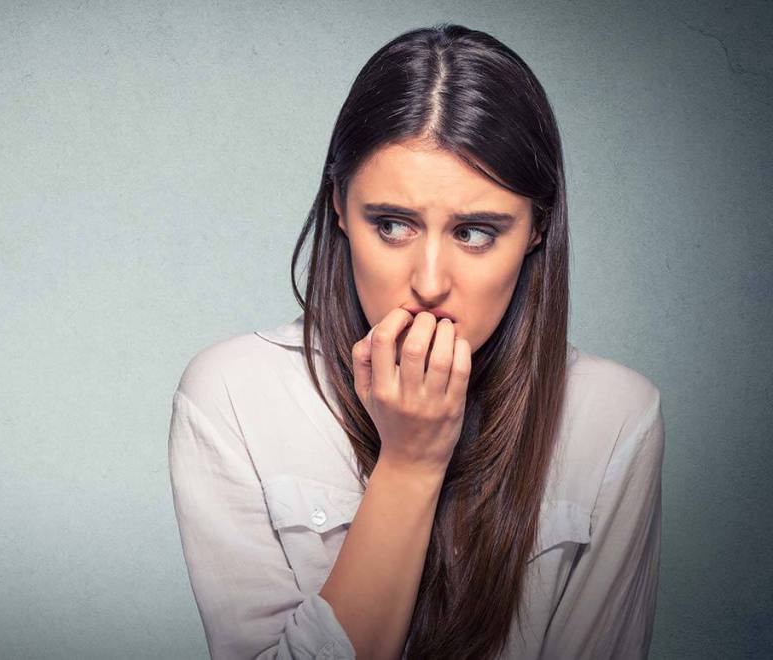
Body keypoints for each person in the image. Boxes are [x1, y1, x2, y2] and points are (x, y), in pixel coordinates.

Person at [167, 23, 664, 660]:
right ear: (339, 208)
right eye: (393, 225)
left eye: (475, 233)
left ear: (538, 228)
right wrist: (409, 464)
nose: (429, 283)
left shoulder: (615, 418)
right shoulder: (232, 396)